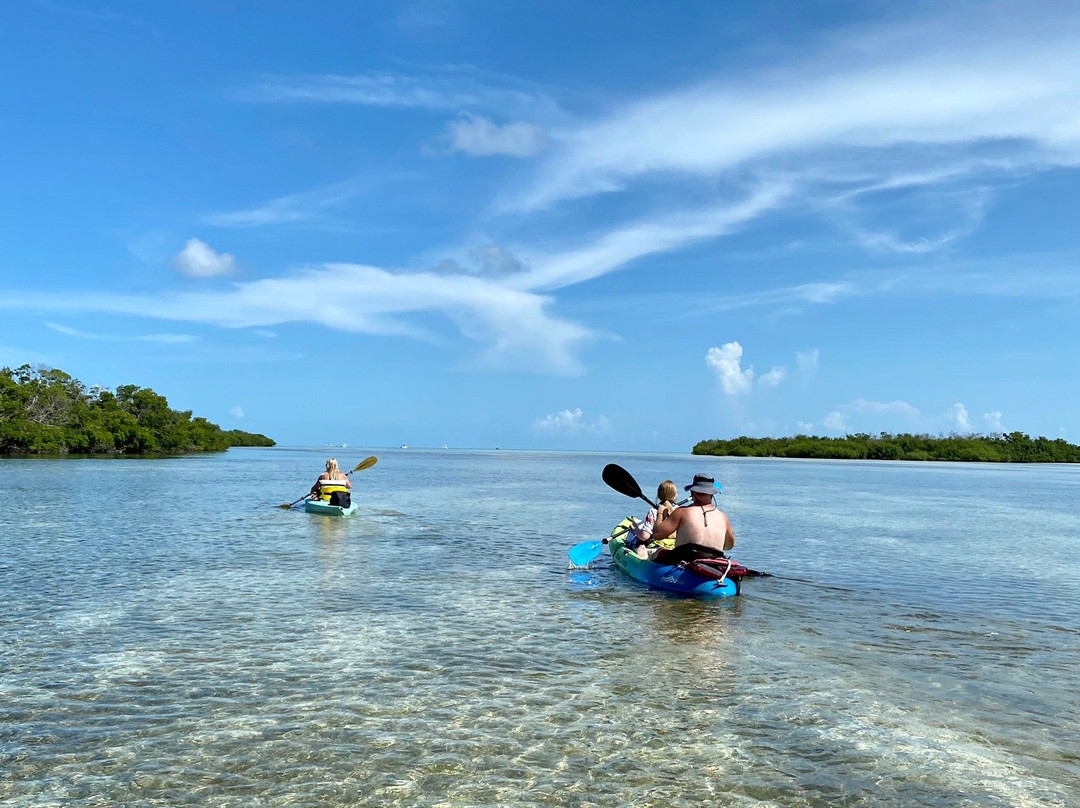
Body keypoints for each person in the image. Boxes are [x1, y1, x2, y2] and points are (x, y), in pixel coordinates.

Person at [643, 473, 734, 564]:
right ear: (712, 494)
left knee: (659, 552)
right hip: (712, 563)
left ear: (692, 492)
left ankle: (643, 558)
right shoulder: (724, 518)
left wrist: (660, 513)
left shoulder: (682, 512)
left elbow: (657, 535)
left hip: (683, 561)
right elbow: (729, 546)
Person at [627, 480, 678, 556]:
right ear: (675, 495)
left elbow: (644, 536)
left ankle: (645, 558)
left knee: (636, 546)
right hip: (676, 548)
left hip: (656, 549)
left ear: (658, 495)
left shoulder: (653, 511)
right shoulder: (680, 510)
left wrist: (636, 529)